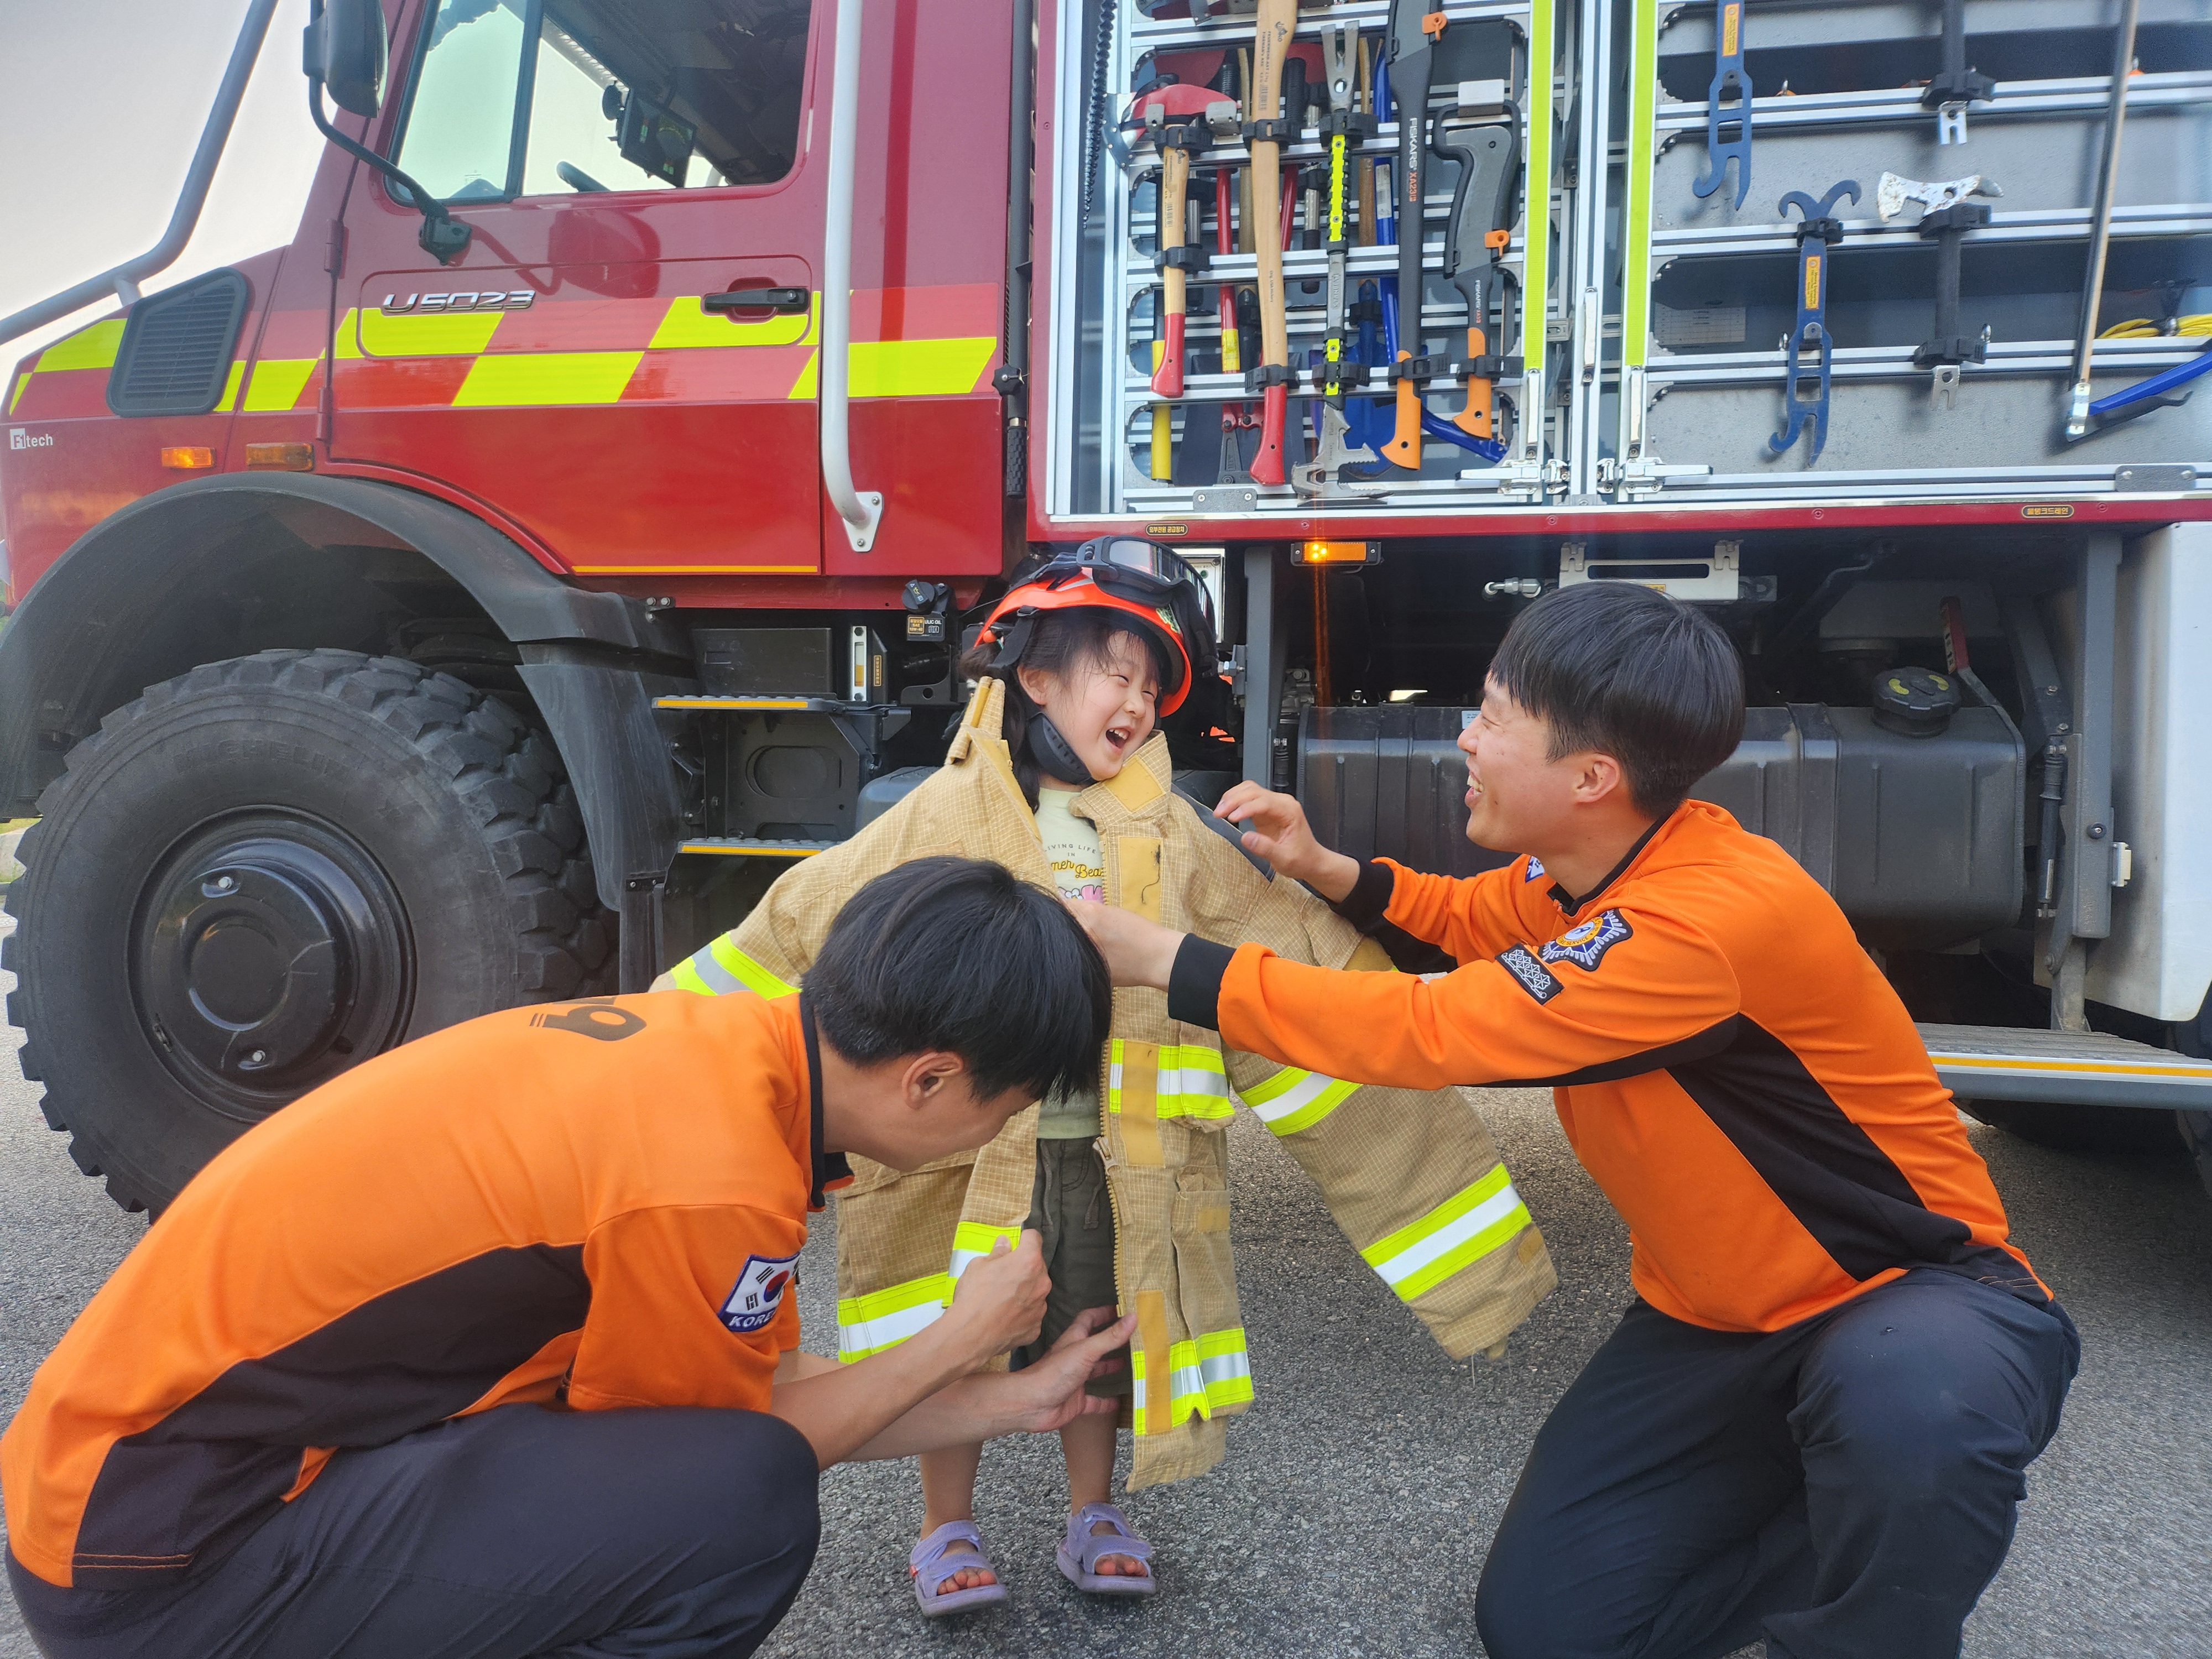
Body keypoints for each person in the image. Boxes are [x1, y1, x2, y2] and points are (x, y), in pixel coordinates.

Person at [1070, 580, 2080, 1659]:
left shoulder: (1702, 922)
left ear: (1591, 777)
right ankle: (1826, 1493)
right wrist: (1326, 869)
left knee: (1914, 1410)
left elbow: (1431, 1029)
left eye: (1494, 716)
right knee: (1549, 1629)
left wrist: (1165, 960)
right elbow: (1467, 917)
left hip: (1912, 1296)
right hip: (1714, 1325)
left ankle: (1868, 1604)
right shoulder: (1590, 872)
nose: (1465, 736)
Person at [656, 538, 1552, 1615]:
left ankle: (1094, 1509)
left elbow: (1298, 962)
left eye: (1150, 686)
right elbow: (785, 935)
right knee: (952, 1337)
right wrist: (655, 1054)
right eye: (1113, 673)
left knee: (1101, 1332)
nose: (1134, 702)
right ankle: (946, 1527)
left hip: (1106, 1156)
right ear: (1034, 675)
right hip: (955, 1159)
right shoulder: (932, 822)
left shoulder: (1178, 836)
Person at [3, 858, 1138, 1659]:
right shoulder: (711, 1174)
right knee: (743, 1513)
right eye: (1008, 1109)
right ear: (930, 1079)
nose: (995, 1137)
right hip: (165, 1565)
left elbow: (767, 1390)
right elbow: (743, 1453)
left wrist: (1012, 1401)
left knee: (725, 1473)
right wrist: (962, 1334)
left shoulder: (724, 1058)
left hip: (116, 1497)